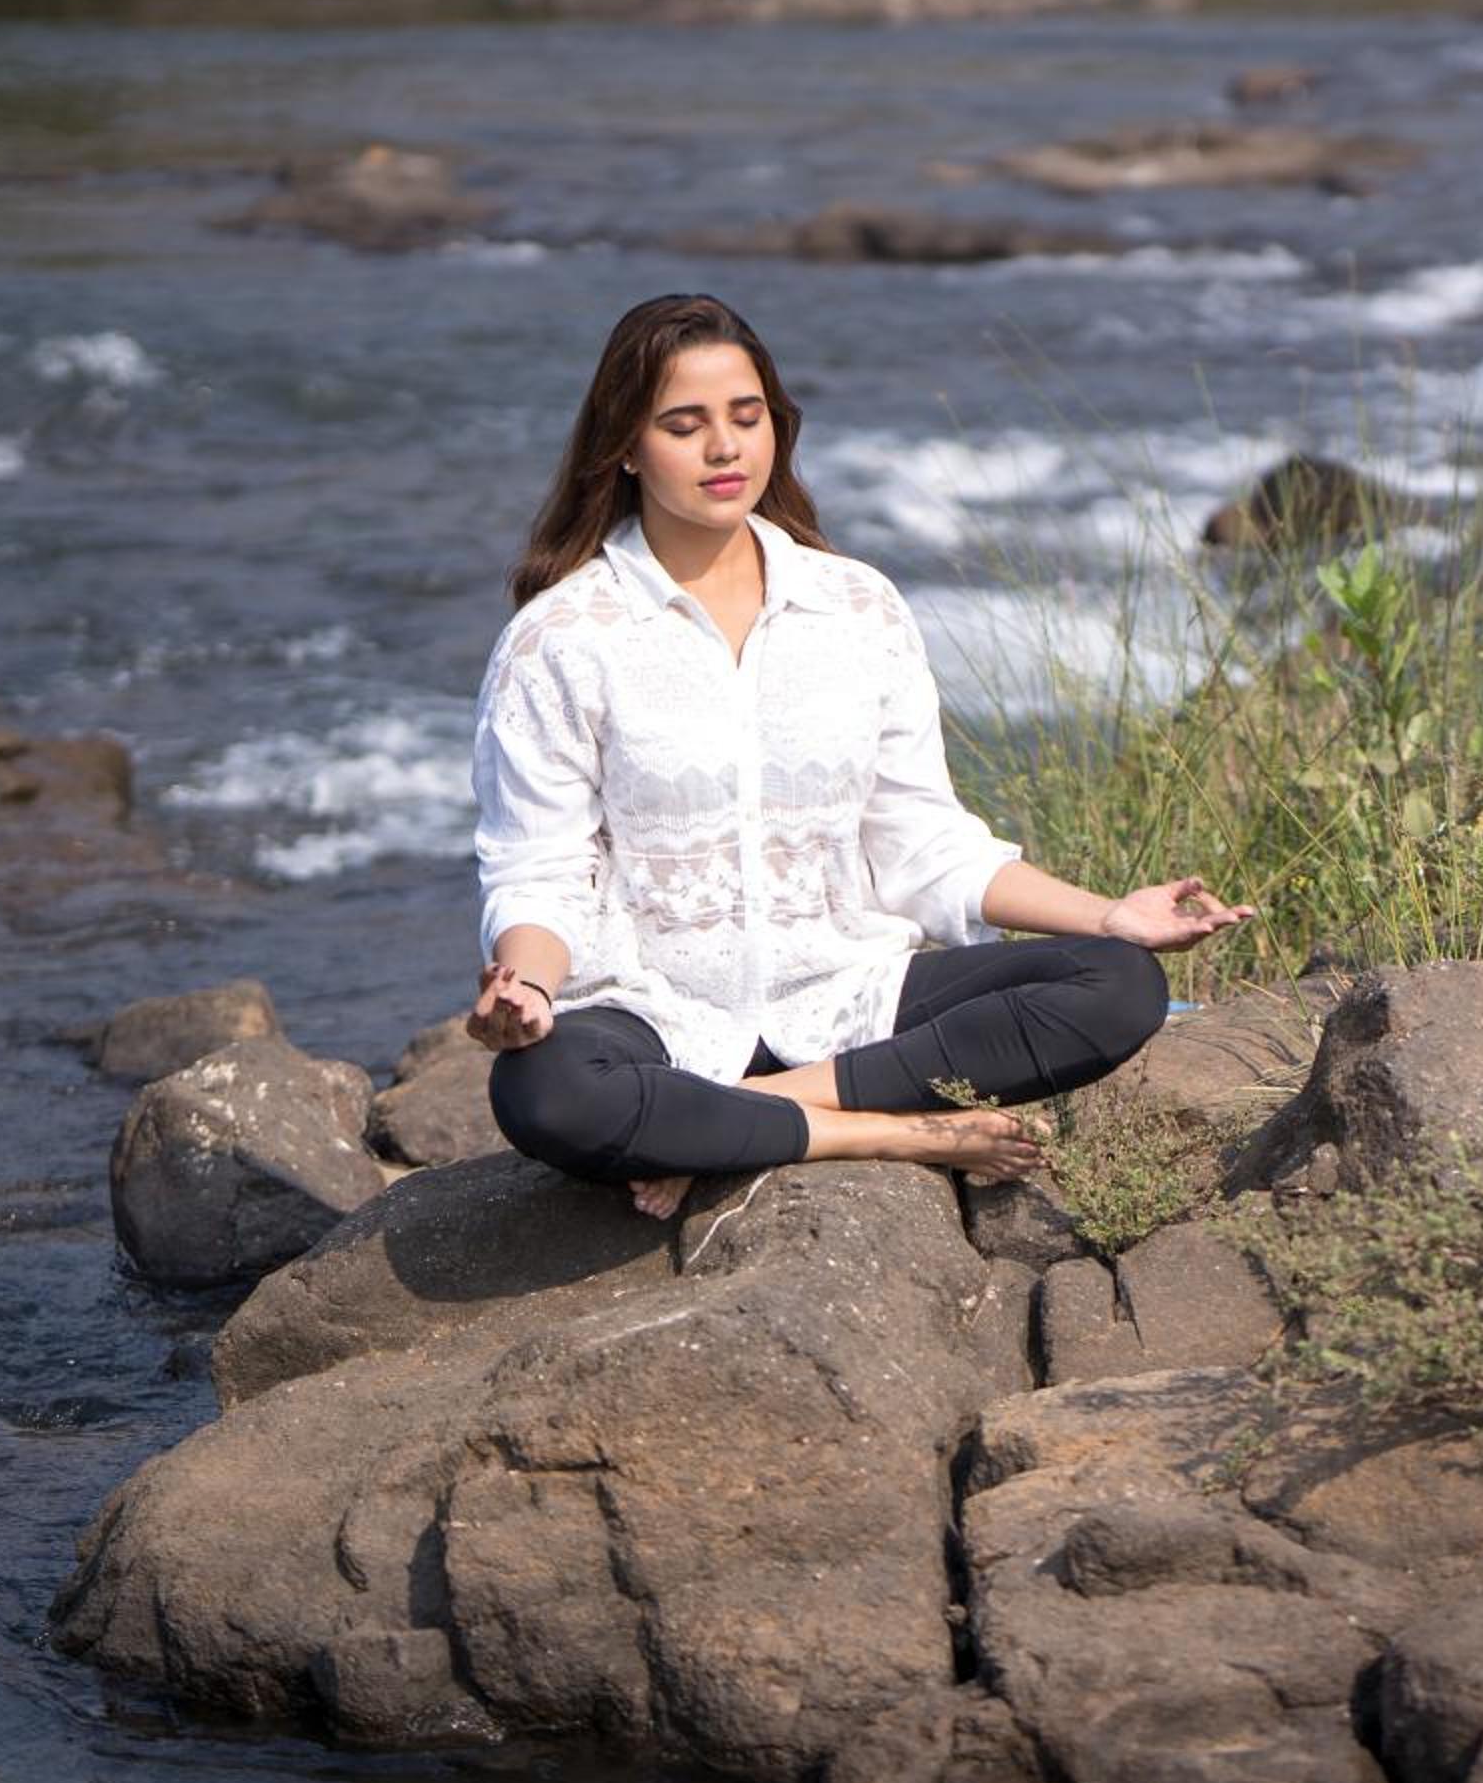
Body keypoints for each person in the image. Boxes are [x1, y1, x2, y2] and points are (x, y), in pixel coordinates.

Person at [462, 293, 1250, 1220]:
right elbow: (539, 867)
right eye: (684, 425)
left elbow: (924, 846)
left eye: (746, 417)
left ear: (776, 427)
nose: (724, 448)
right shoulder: (560, 637)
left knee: (1116, 984)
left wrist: (1110, 915)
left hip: (849, 998)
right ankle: (889, 1132)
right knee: (544, 1092)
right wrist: (527, 987)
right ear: (626, 447)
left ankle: (738, 1116)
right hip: (650, 1014)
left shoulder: (855, 607)